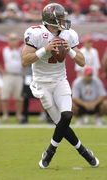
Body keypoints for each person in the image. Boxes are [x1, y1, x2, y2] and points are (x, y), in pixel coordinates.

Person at [21, 3, 99, 169]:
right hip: (41, 83)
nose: (64, 20)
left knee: (66, 116)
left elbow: (82, 61)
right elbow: (24, 60)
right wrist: (45, 49)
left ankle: (50, 151)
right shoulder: (35, 33)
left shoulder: (69, 34)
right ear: (51, 20)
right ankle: (84, 152)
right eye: (61, 18)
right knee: (60, 123)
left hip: (59, 80)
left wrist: (69, 50)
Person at [0, 33, 23, 122]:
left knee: (19, 97)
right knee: (4, 97)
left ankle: (18, 115)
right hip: (7, 75)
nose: (14, 41)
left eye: (15, 39)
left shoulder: (21, 49)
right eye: (12, 39)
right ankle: (5, 114)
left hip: (19, 75)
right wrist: (1, 70)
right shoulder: (4, 49)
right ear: (8, 40)